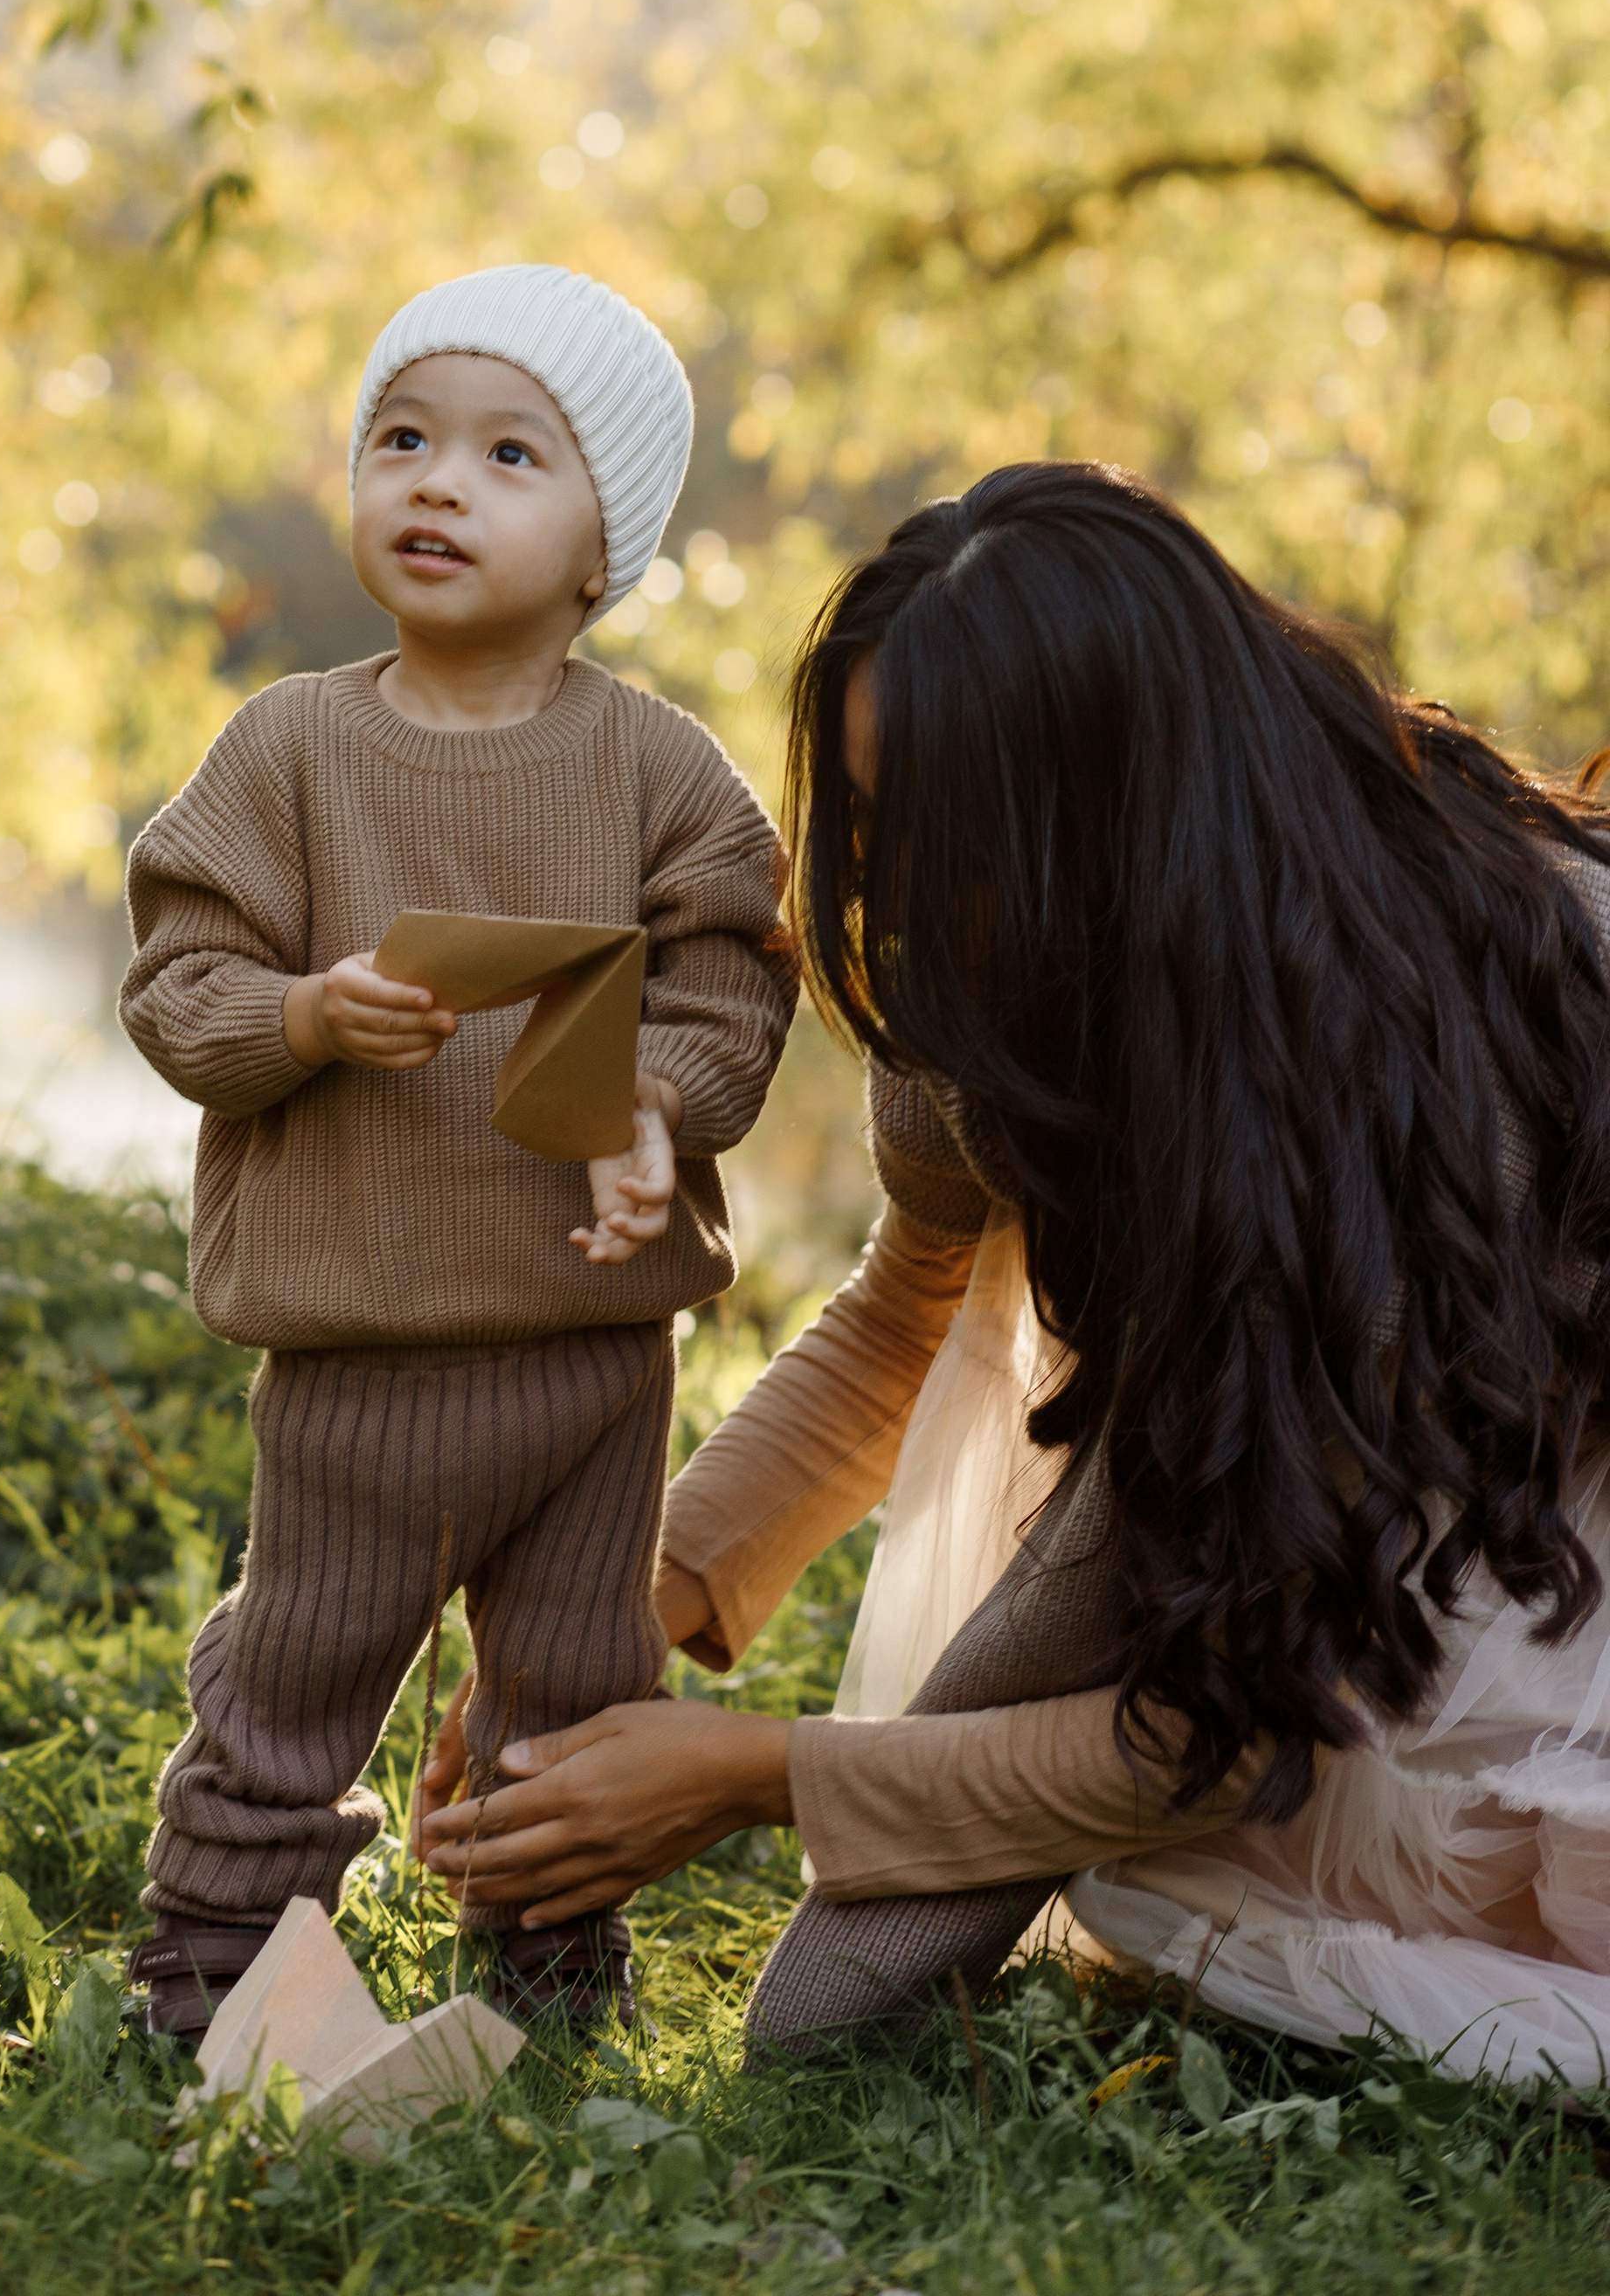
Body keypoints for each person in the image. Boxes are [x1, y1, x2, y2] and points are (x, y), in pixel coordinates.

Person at [419, 461, 1610, 2085]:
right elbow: (906, 1311)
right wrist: (637, 1602)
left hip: (1540, 1487)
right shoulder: (996, 976)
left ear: (1118, 829)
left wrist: (748, 1773)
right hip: (1404, 1461)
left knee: (1307, 1858)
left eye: (951, 843)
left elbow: (1210, 1729)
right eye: (876, 822)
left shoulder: (1401, 1089)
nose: (896, 900)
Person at [118, 264, 794, 2045]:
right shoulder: (287, 752)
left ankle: (547, 1983)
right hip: (361, 1357)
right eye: (400, 437)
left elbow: (733, 986)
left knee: (572, 1691)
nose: (436, 481)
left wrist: (650, 1107)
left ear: (601, 545)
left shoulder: (662, 775)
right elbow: (178, 986)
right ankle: (204, 1988)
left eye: (509, 454)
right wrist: (304, 1021)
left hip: (589, 1359)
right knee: (298, 1675)